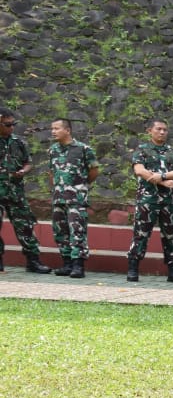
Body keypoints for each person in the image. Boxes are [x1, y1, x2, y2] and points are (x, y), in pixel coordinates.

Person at [127, 119, 173, 282]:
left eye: (165, 130)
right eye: (158, 129)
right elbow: (139, 170)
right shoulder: (142, 150)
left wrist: (163, 176)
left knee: (170, 235)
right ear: (149, 131)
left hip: (169, 201)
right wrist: (163, 182)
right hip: (148, 200)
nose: (162, 132)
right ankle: (133, 268)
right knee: (141, 234)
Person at [0, 107, 51, 274]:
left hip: (15, 192)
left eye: (13, 124)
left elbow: (28, 162)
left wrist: (23, 171)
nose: (12, 127)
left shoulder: (19, 142)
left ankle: (33, 261)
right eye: (8, 124)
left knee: (25, 225)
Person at [47, 118, 99, 278]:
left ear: (67, 130)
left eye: (57, 128)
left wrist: (81, 185)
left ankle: (78, 265)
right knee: (60, 231)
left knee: (77, 230)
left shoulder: (83, 149)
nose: (53, 131)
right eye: (52, 129)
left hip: (76, 198)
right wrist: (57, 188)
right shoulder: (53, 150)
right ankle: (67, 264)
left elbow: (94, 170)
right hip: (58, 198)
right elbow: (51, 172)